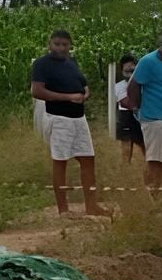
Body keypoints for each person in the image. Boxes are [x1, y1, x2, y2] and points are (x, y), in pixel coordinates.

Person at [29, 29, 107, 217]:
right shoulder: (42, 64)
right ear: (50, 44)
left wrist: (84, 94)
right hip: (59, 118)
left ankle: (91, 206)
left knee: (88, 159)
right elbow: (37, 91)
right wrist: (67, 97)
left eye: (65, 45)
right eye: (57, 44)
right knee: (61, 161)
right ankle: (63, 209)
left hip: (79, 118)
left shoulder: (72, 62)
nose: (61, 48)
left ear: (70, 45)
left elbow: (84, 84)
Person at [125, 43, 162, 193]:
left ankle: (156, 195)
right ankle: (154, 198)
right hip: (154, 118)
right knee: (155, 162)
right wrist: (137, 107)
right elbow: (132, 86)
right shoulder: (148, 61)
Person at [113, 54, 144, 164]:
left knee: (144, 145)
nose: (129, 68)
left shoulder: (142, 84)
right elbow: (126, 103)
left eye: (131, 65)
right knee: (126, 149)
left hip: (140, 117)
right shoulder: (119, 86)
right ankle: (125, 172)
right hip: (125, 117)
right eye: (126, 67)